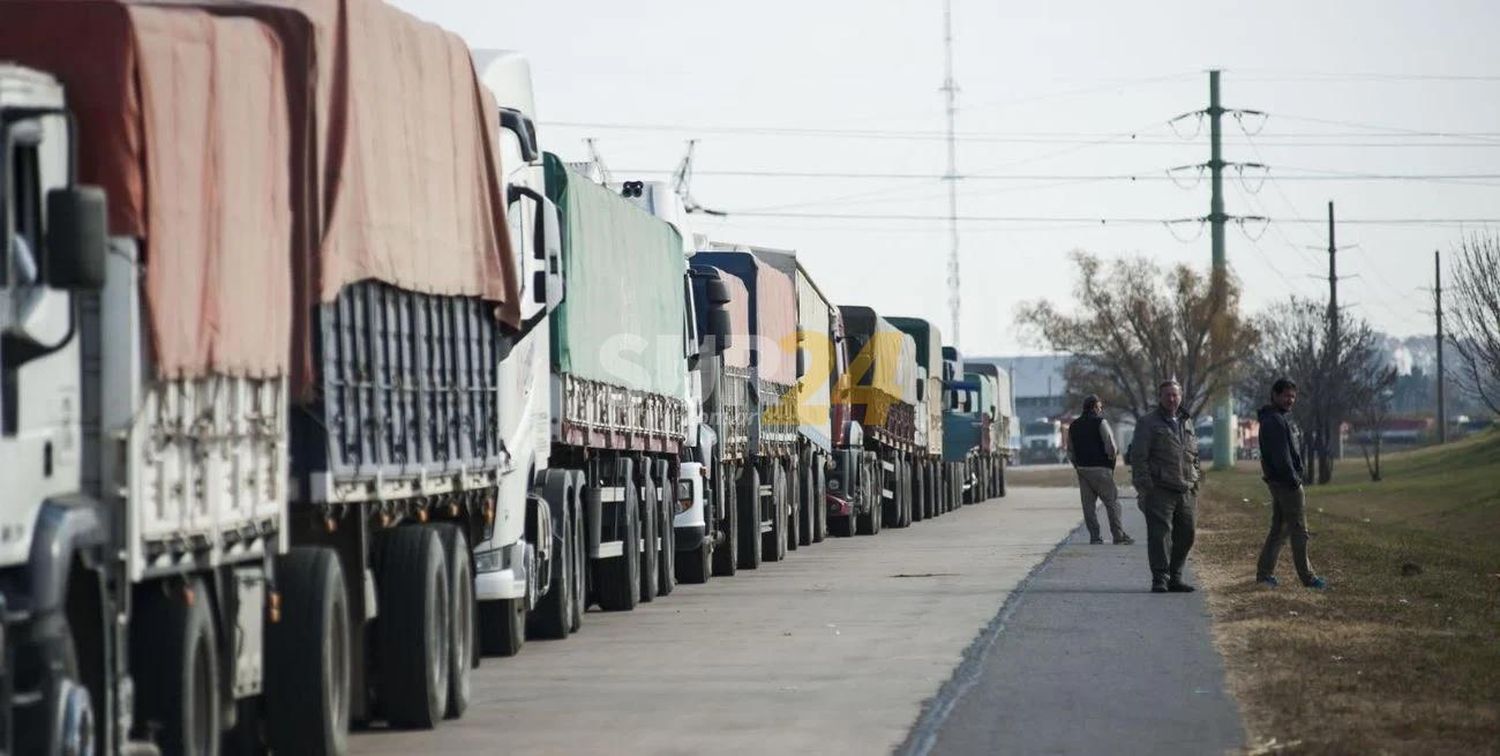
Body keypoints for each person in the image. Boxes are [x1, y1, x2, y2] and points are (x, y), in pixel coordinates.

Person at [1127, 380, 1200, 593]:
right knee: (1160, 535)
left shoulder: (1187, 421)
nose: (1172, 399)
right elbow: (1138, 457)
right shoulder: (1148, 423)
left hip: (1186, 488)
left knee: (1187, 533)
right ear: (1160, 397)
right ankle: (1160, 578)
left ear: (1181, 397)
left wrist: (1195, 479)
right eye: (1167, 395)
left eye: (1175, 395)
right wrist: (1145, 486)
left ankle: (1176, 577)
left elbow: (1194, 454)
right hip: (1159, 489)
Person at [1255, 378, 1327, 589]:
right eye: (1286, 395)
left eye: (1293, 396)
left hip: (1278, 482)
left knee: (1280, 528)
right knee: (1299, 531)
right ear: (1275, 395)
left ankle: (1264, 574)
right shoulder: (1275, 421)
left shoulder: (1272, 418)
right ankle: (1309, 578)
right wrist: (1294, 480)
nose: (1290, 400)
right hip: (1286, 484)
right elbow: (1281, 456)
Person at [1067, 395, 1133, 545]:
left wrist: (1077, 466)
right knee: (1112, 503)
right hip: (1101, 469)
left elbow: (1070, 451)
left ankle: (1095, 536)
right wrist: (1111, 463)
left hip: (1083, 469)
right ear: (1095, 407)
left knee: (1088, 506)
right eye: (1100, 407)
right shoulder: (1100, 422)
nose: (1101, 410)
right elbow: (1111, 446)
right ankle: (1118, 535)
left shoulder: (1074, 425)